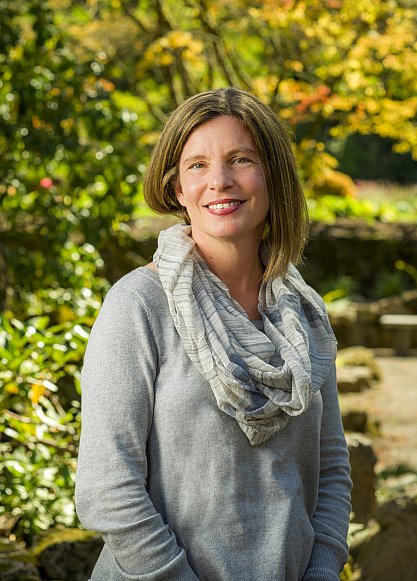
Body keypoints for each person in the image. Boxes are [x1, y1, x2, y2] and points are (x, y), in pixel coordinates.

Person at [75, 87, 352, 580]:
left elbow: (329, 470)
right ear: (178, 189)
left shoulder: (304, 315)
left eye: (240, 159)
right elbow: (107, 487)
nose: (219, 182)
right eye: (197, 165)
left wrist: (322, 571)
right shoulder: (138, 306)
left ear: (273, 177)